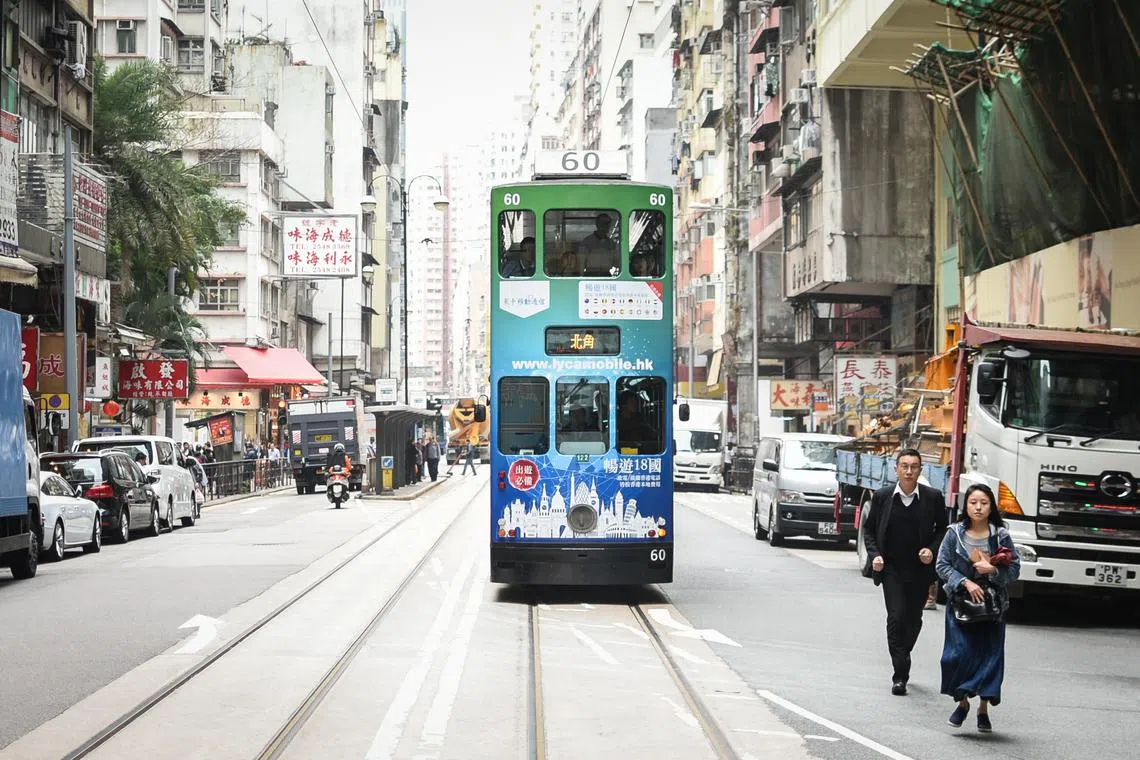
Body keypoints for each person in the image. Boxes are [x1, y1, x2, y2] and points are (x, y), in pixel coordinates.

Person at [862, 448, 949, 696]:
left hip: (920, 570)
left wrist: (932, 550)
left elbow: (943, 529)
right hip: (891, 569)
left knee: (913, 620)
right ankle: (900, 673)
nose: (909, 471)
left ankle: (903, 651)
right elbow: (869, 530)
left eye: (914, 466)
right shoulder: (883, 496)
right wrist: (875, 555)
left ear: (921, 470)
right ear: (896, 469)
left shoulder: (932, 497)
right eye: (904, 466)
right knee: (896, 617)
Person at [937, 484, 1020, 733]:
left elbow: (1014, 569)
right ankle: (962, 703)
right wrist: (965, 581)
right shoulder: (954, 534)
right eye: (973, 502)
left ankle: (983, 709)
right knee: (956, 656)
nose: (978, 507)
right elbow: (942, 565)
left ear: (991, 506)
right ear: (966, 505)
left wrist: (994, 570)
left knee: (990, 657)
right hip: (961, 606)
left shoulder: (1001, 536)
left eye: (984, 502)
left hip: (993, 608)